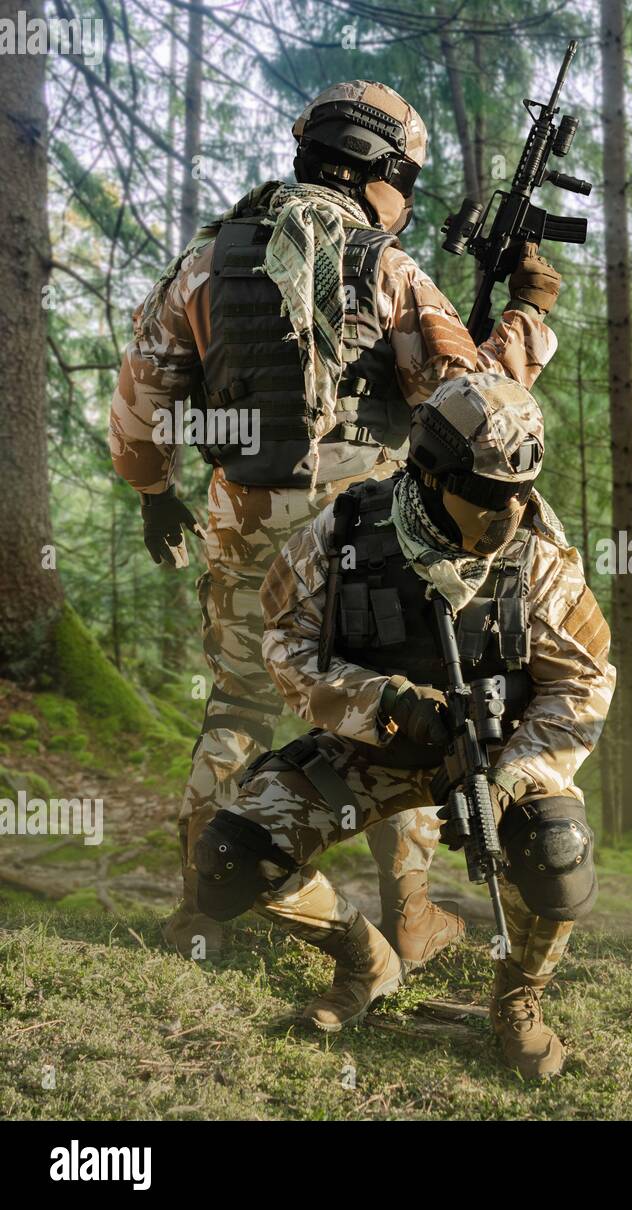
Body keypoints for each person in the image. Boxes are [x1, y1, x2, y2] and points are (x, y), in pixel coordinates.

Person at [107, 80, 562, 966]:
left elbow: (142, 399)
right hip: (368, 531)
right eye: (408, 183)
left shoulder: (206, 260)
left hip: (243, 517)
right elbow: (477, 402)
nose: (408, 203)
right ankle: (412, 913)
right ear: (378, 171)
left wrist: (152, 492)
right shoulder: (388, 270)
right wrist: (531, 313)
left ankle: (204, 906)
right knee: (402, 709)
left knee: (239, 700)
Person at [193, 373, 612, 1078]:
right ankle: (366, 961)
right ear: (430, 471)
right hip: (370, 748)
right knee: (230, 860)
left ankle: (517, 999)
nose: (508, 510)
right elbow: (285, 644)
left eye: (519, 490)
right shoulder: (348, 529)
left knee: (557, 855)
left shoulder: (540, 557)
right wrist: (379, 700)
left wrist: (517, 777)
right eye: (485, 491)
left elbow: (584, 681)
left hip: (498, 755)